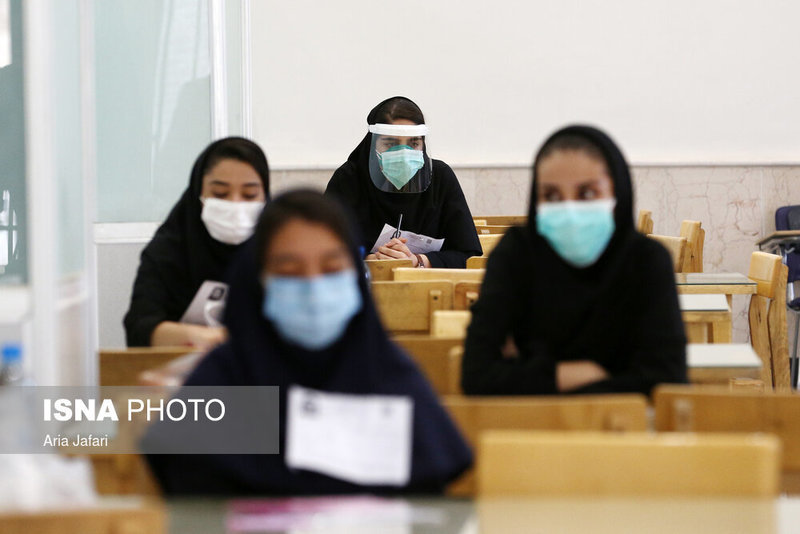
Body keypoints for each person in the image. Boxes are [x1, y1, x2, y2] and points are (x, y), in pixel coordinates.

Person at [146, 190, 473, 495]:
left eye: (332, 269)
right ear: (257, 282)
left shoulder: (389, 377)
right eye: (290, 271)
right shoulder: (224, 382)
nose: (314, 287)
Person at [461, 125, 687, 396]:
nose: (569, 209)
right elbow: (477, 376)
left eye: (587, 193)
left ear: (617, 192)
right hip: (530, 425)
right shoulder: (518, 253)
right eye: (551, 196)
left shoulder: (646, 261)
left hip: (624, 424)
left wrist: (528, 373)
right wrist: (591, 375)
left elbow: (667, 382)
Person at [124, 137, 270, 349]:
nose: (235, 204)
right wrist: (206, 338)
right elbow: (139, 327)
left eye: (249, 195)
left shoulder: (278, 252)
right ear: (197, 194)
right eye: (220, 194)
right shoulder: (168, 251)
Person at [325, 96, 481, 268]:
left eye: (413, 144)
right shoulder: (348, 179)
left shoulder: (440, 177)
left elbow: (469, 255)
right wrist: (371, 261)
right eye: (390, 143)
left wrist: (417, 261)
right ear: (372, 144)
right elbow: (323, 250)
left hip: (427, 283)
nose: (404, 154)